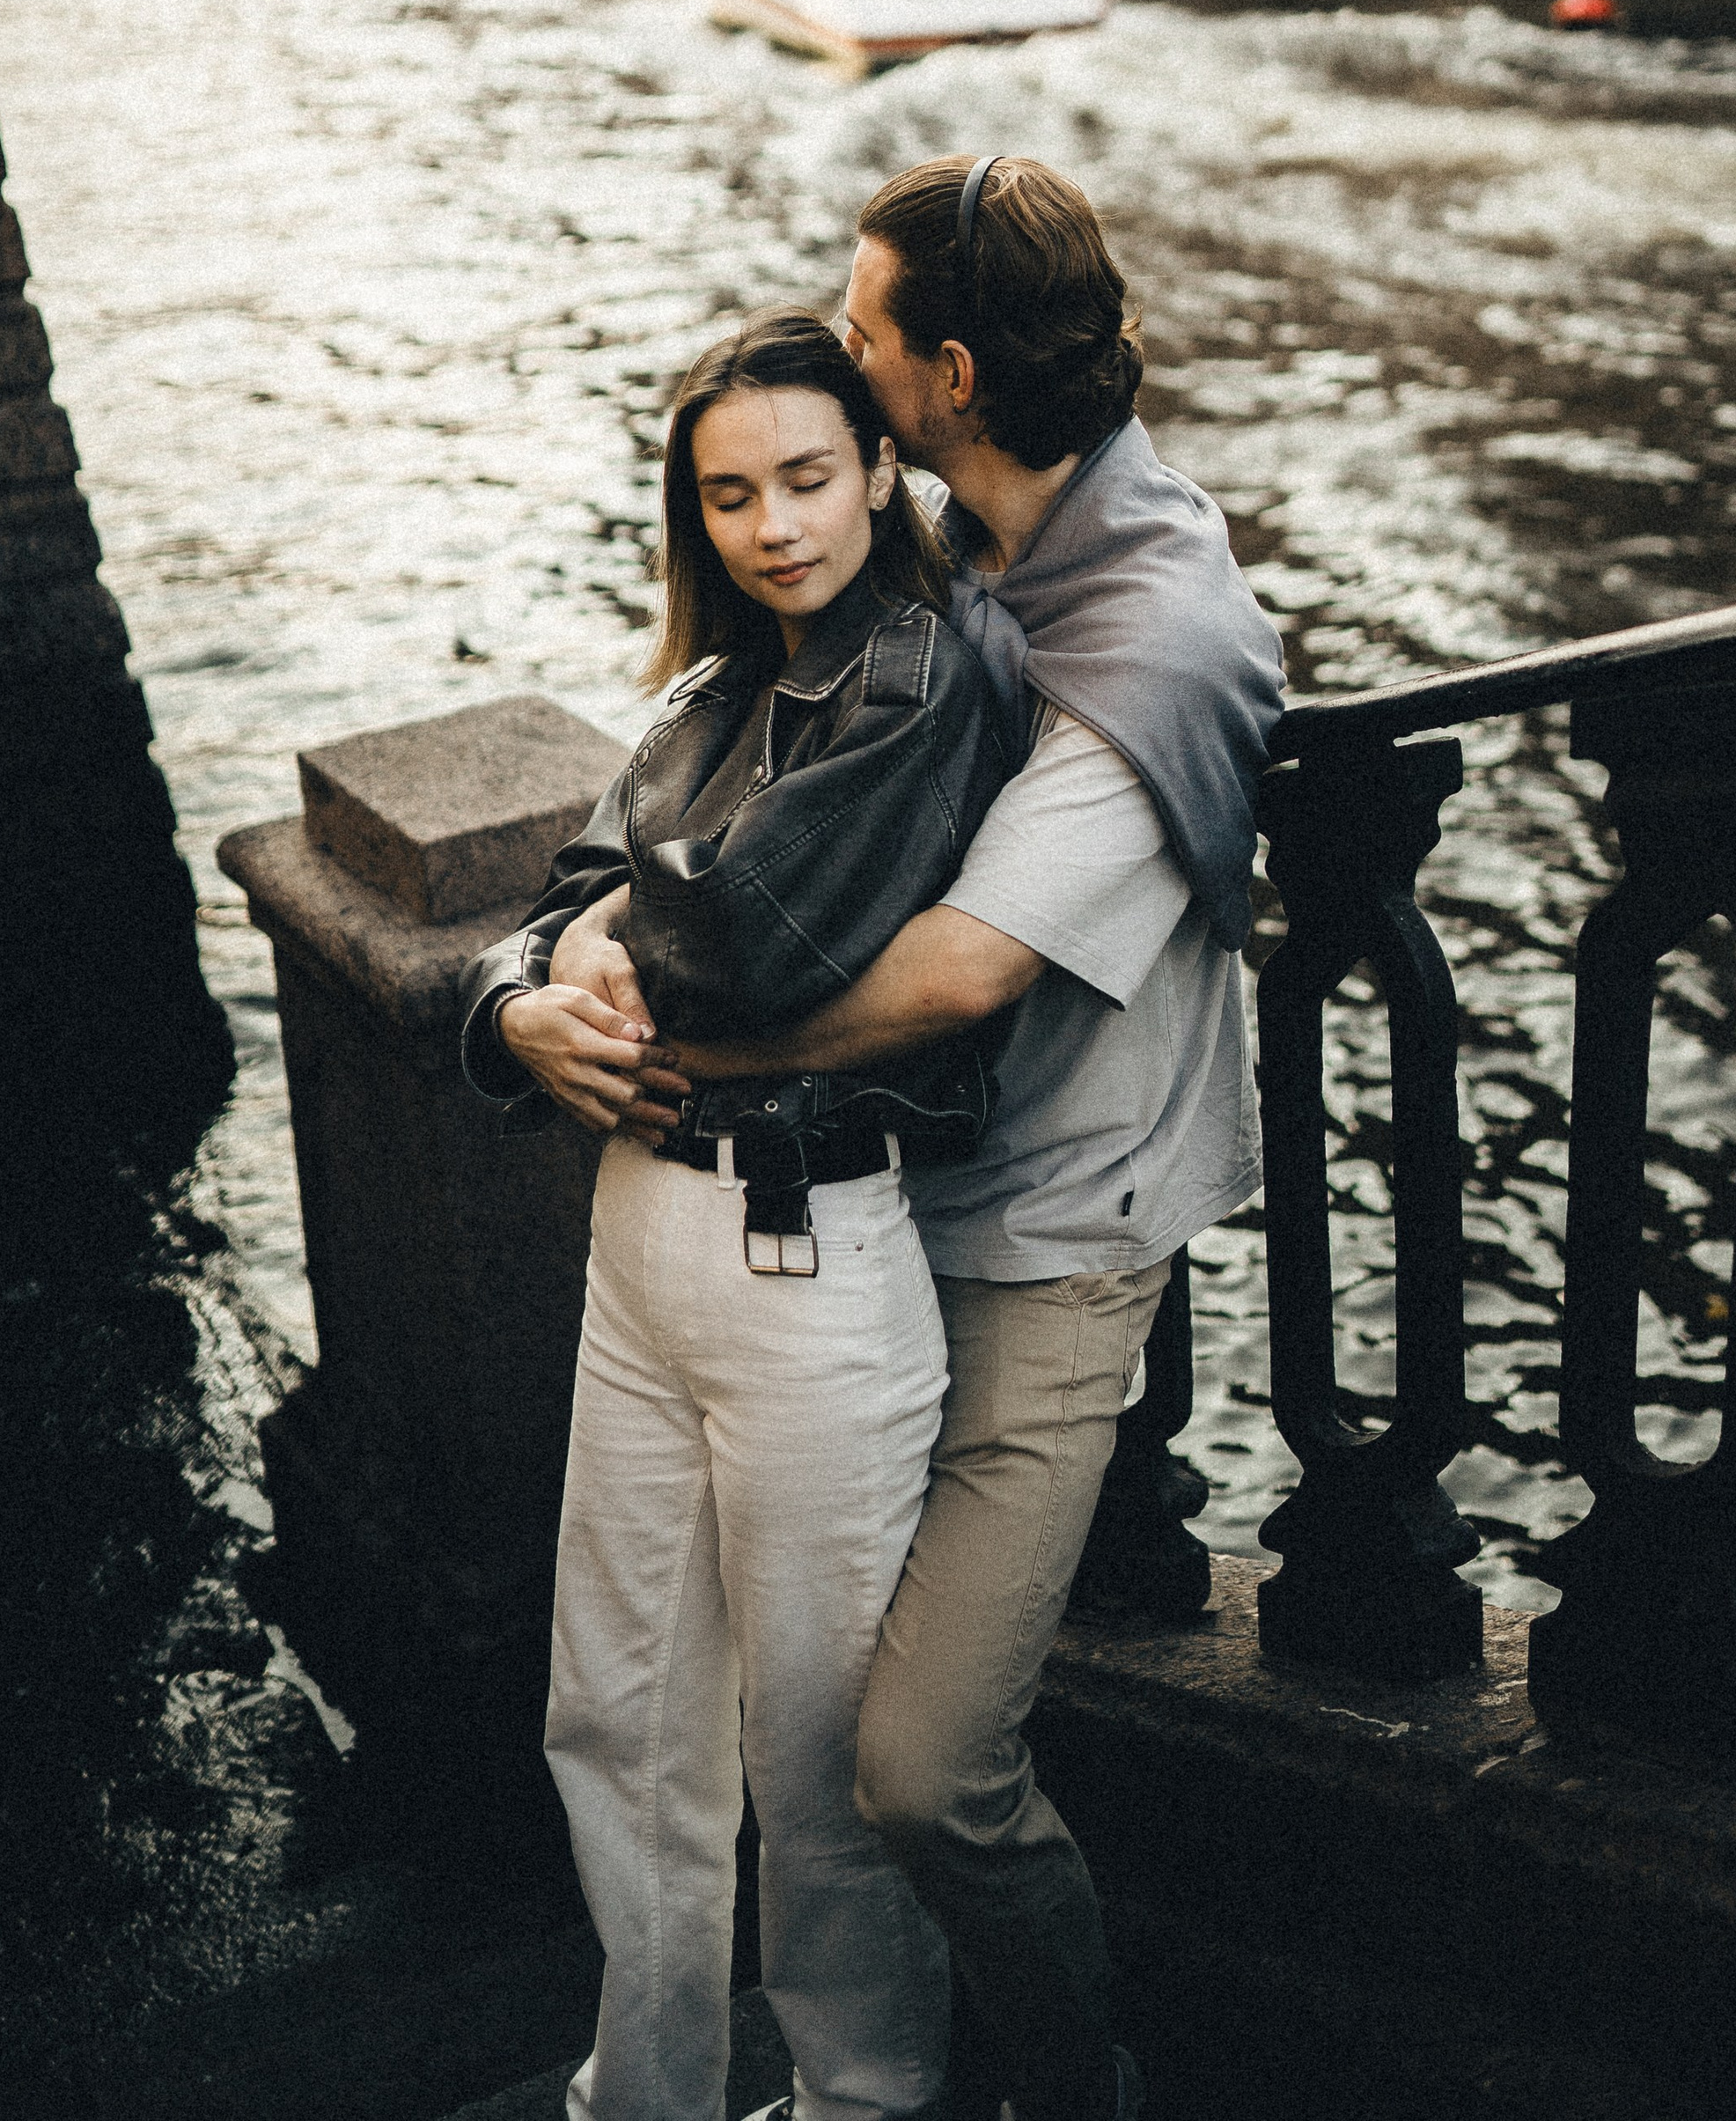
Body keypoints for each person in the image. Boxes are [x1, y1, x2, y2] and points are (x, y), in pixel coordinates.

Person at [557, 158, 1284, 2121]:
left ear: (943, 377)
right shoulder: (969, 539)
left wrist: (698, 1070)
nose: (840, 359)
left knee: (917, 1770)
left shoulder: (1152, 642)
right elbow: (693, 799)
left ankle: (1075, 2083)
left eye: (863, 340)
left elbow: (955, 978)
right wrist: (546, 971)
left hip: (1045, 1242)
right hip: (878, 1224)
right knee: (767, 1730)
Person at [461, 307, 1012, 2121]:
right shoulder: (704, 701)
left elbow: (733, 933)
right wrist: (524, 1000)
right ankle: (651, 2095)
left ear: (876, 470)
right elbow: (569, 897)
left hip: (808, 1261)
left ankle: (867, 2101)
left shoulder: (924, 680)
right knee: (618, 1716)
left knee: (820, 1757)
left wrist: (596, 952)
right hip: (642, 1244)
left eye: (802, 477)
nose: (771, 525)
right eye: (727, 495)